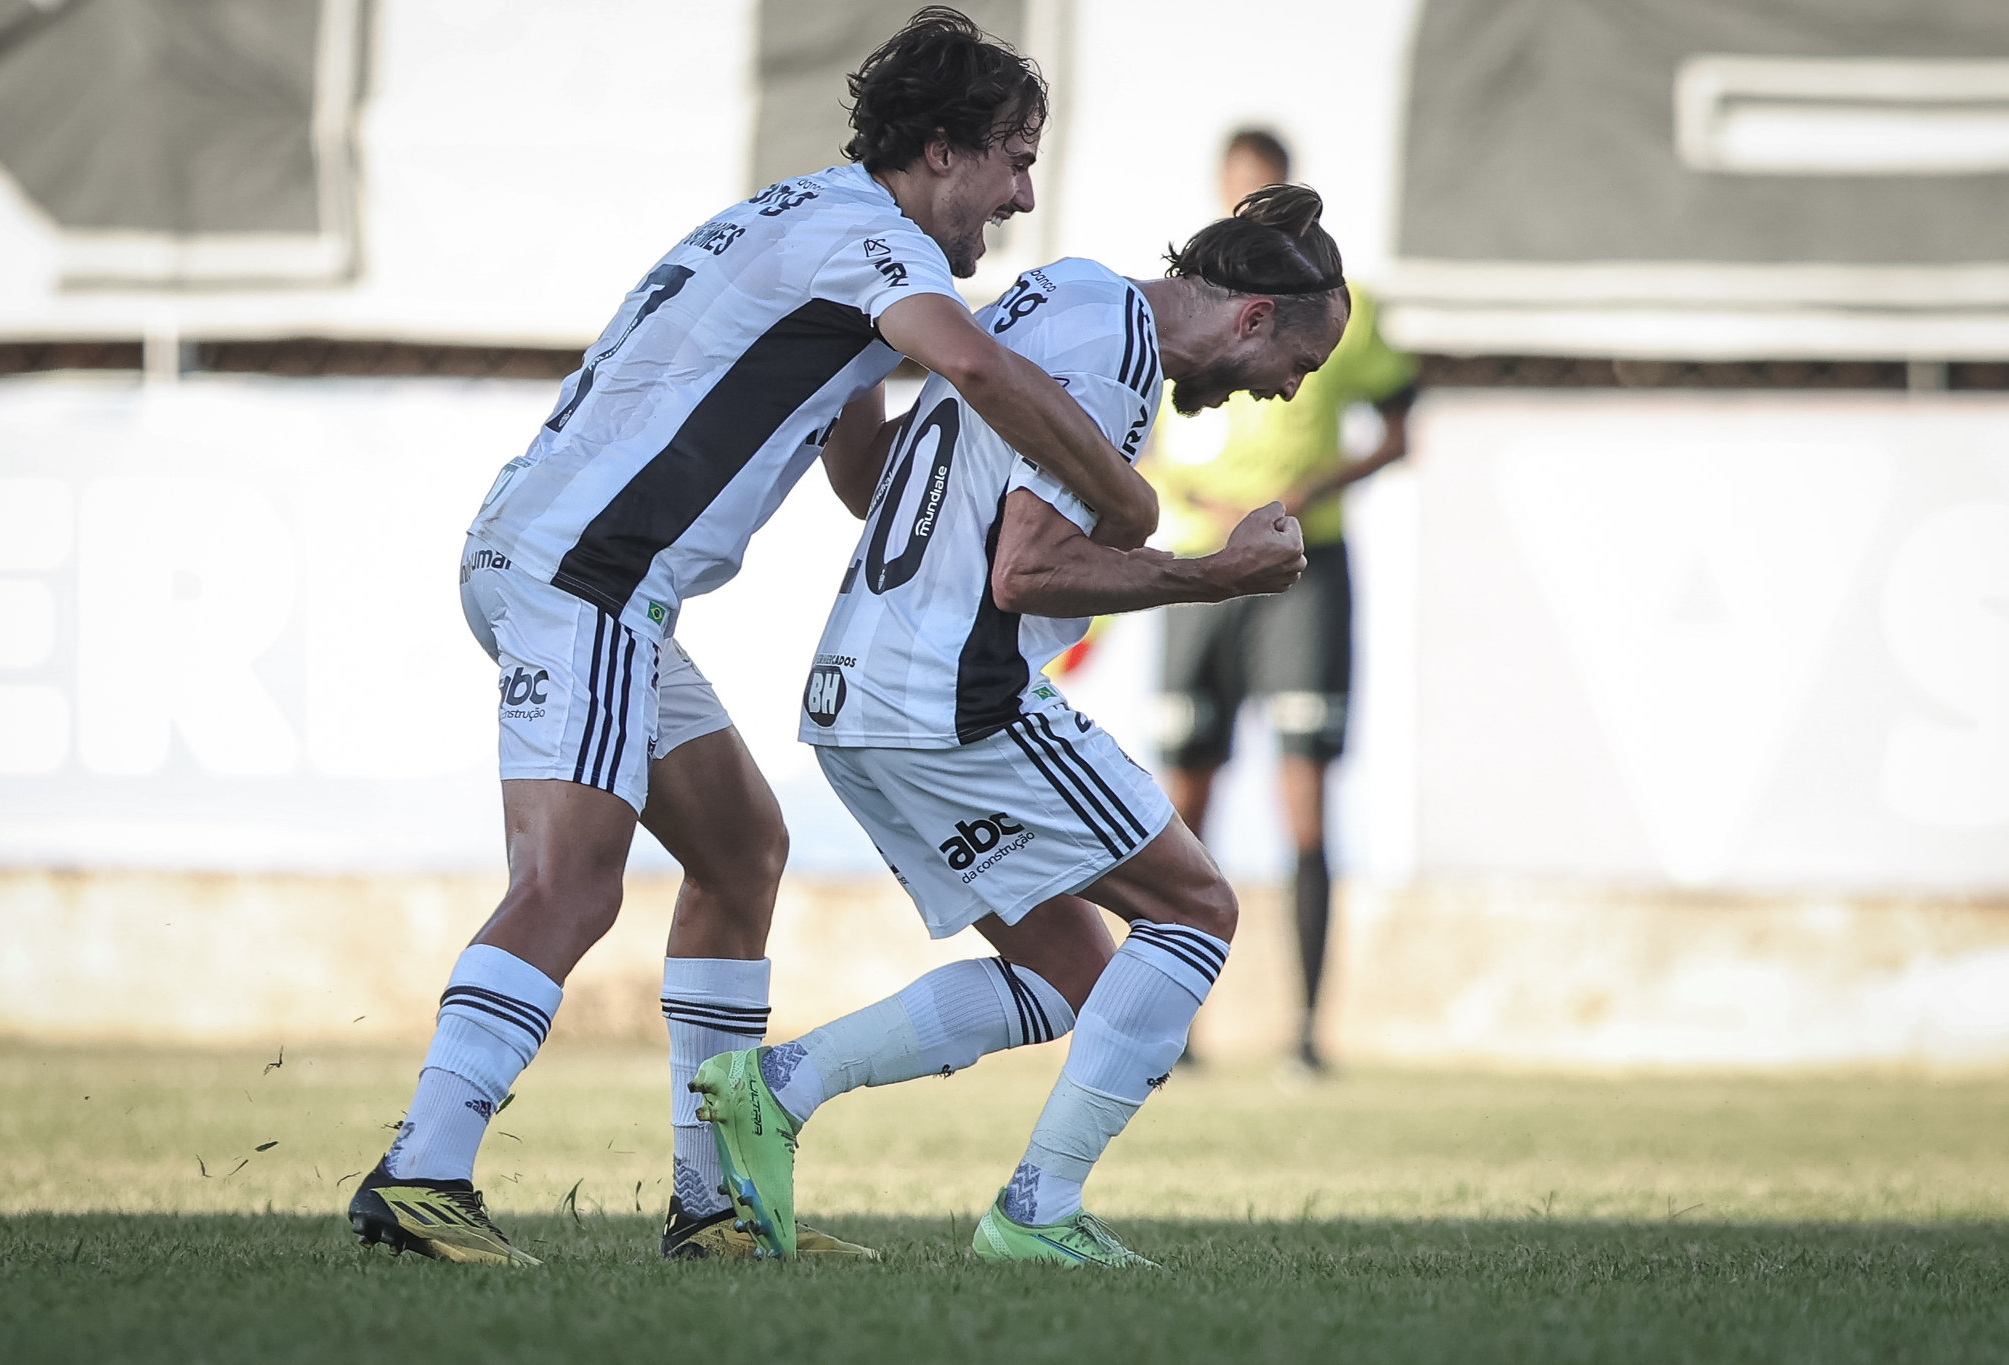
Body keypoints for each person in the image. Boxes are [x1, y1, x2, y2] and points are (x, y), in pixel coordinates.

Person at [346, 6, 1161, 1267]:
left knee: (739, 850)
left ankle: (714, 1199)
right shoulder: (882, 245)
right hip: (589, 572)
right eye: (1012, 154)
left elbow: (858, 467)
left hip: (581, 567)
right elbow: (982, 373)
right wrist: (1121, 496)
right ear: (939, 149)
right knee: (570, 884)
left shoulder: (812, 218)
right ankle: (422, 1174)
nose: (1021, 191)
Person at [692, 185, 1349, 1267]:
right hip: (951, 695)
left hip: (859, 695)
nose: (1284, 393)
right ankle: (1036, 1213)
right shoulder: (1113, 355)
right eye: (1298, 366)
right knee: (1193, 911)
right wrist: (1215, 572)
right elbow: (1029, 569)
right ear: (1251, 318)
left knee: (1071, 982)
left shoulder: (1066, 293)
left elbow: (893, 484)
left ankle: (774, 1088)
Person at [1148, 129, 1417, 1073]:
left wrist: (1314, 490)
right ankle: (1172, 1029)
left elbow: (1399, 427)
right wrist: (1188, 504)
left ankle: (1305, 1031)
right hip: (1192, 563)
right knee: (1183, 801)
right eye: (1236, 196)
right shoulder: (1179, 306)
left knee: (1304, 798)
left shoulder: (1344, 310)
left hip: (1305, 563)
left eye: (1264, 195)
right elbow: (1126, 436)